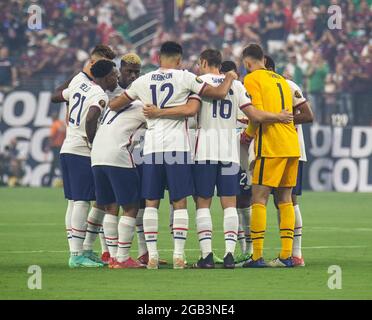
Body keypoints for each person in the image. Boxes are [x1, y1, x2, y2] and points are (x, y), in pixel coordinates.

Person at [143, 49, 293, 269]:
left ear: (203, 62)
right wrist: (279, 116)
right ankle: (230, 254)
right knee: (229, 204)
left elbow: (188, 110)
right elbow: (255, 116)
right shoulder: (237, 85)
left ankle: (207, 257)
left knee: (203, 203)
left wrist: (157, 113)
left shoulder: (197, 82)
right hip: (229, 152)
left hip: (204, 150)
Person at [109, 41, 238, 269]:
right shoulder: (185, 77)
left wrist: (147, 108)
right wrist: (229, 77)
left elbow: (115, 104)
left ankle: (153, 256)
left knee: (150, 202)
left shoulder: (143, 81)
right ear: (179, 60)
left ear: (159, 58)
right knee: (179, 201)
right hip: (177, 149)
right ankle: (179, 256)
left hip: (152, 149)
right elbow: (216, 94)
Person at [51, 44, 116, 264]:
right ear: (105, 77)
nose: (115, 78)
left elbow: (57, 96)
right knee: (81, 202)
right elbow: (91, 118)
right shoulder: (99, 94)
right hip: (81, 150)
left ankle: (78, 250)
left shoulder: (79, 82)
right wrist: (93, 141)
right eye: (113, 75)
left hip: (67, 147)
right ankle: (76, 255)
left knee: (73, 202)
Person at [102, 53, 167, 266]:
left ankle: (138, 252)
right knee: (122, 205)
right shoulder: (112, 92)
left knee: (139, 202)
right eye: (129, 71)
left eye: (136, 72)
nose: (132, 75)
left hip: (137, 152)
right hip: (123, 154)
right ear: (120, 70)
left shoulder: (136, 92)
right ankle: (115, 255)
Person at [240, 44, 300, 268]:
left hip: (271, 146)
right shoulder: (282, 81)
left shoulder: (252, 79)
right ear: (263, 59)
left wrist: (247, 136)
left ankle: (256, 256)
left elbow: (256, 116)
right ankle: (286, 256)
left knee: (259, 199)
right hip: (291, 145)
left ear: (247, 62)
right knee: (285, 200)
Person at [264, 55, 313, 267]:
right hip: (272, 149)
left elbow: (308, 115)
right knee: (281, 201)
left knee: (289, 199)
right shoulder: (263, 87)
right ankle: (290, 253)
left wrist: (282, 118)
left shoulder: (288, 84)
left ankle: (295, 253)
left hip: (291, 148)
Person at [220, 60, 253, 265]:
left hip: (242, 153)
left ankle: (248, 249)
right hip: (227, 152)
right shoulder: (218, 92)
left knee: (244, 200)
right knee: (234, 201)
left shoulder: (243, 91)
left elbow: (253, 120)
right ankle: (241, 249)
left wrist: (247, 136)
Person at [47, 112, 66, 186]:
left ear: (53, 117)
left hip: (56, 147)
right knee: (55, 164)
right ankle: (48, 182)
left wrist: (48, 146)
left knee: (58, 164)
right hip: (62, 146)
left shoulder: (54, 124)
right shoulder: (61, 124)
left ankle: (63, 181)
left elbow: (51, 136)